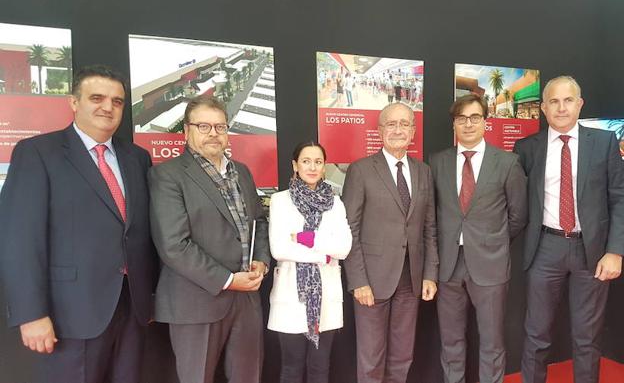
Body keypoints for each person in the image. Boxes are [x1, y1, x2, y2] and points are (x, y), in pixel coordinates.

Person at [0, 65, 157, 383]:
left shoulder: (137, 158)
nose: (108, 107)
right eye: (96, 97)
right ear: (74, 102)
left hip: (132, 310)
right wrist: (31, 313)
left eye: (117, 101)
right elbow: (19, 240)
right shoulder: (38, 154)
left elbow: (140, 234)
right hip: (68, 314)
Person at [148, 96, 269, 383]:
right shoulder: (167, 175)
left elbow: (259, 223)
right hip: (196, 300)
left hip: (247, 299)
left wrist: (261, 261)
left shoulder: (241, 172)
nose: (214, 133)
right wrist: (228, 279)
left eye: (220, 127)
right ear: (186, 131)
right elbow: (173, 245)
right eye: (204, 126)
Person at [513, 76, 624, 383]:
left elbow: (619, 198)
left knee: (587, 337)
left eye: (568, 100)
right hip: (544, 249)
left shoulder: (604, 143)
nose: (561, 108)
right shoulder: (525, 148)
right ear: (543, 108)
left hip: (593, 251)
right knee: (536, 335)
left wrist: (615, 251)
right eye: (554, 101)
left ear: (579, 104)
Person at [430, 94, 527, 383]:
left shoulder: (508, 163)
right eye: (461, 119)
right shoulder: (437, 162)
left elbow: (518, 216)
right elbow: (432, 214)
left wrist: (491, 242)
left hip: (491, 266)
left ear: (486, 121)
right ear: (454, 125)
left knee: (492, 342)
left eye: (475, 118)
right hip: (448, 266)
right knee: (450, 342)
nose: (468, 124)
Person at [342, 102, 438, 383]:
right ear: (380, 130)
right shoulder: (360, 170)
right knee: (371, 358)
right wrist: (358, 280)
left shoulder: (424, 172)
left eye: (404, 124)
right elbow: (350, 228)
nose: (398, 130)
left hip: (412, 279)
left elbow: (429, 227)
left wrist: (430, 274)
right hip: (372, 280)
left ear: (413, 132)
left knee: (402, 356)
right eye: (391, 124)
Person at [267, 141, 352, 383]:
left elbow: (344, 247)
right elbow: (279, 248)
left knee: (319, 367)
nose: (312, 167)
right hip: (291, 295)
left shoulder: (335, 203)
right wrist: (324, 254)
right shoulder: (280, 200)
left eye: (318, 162)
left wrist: (306, 237)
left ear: (324, 166)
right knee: (291, 367)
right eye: (306, 161)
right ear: (295, 165)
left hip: (326, 297)